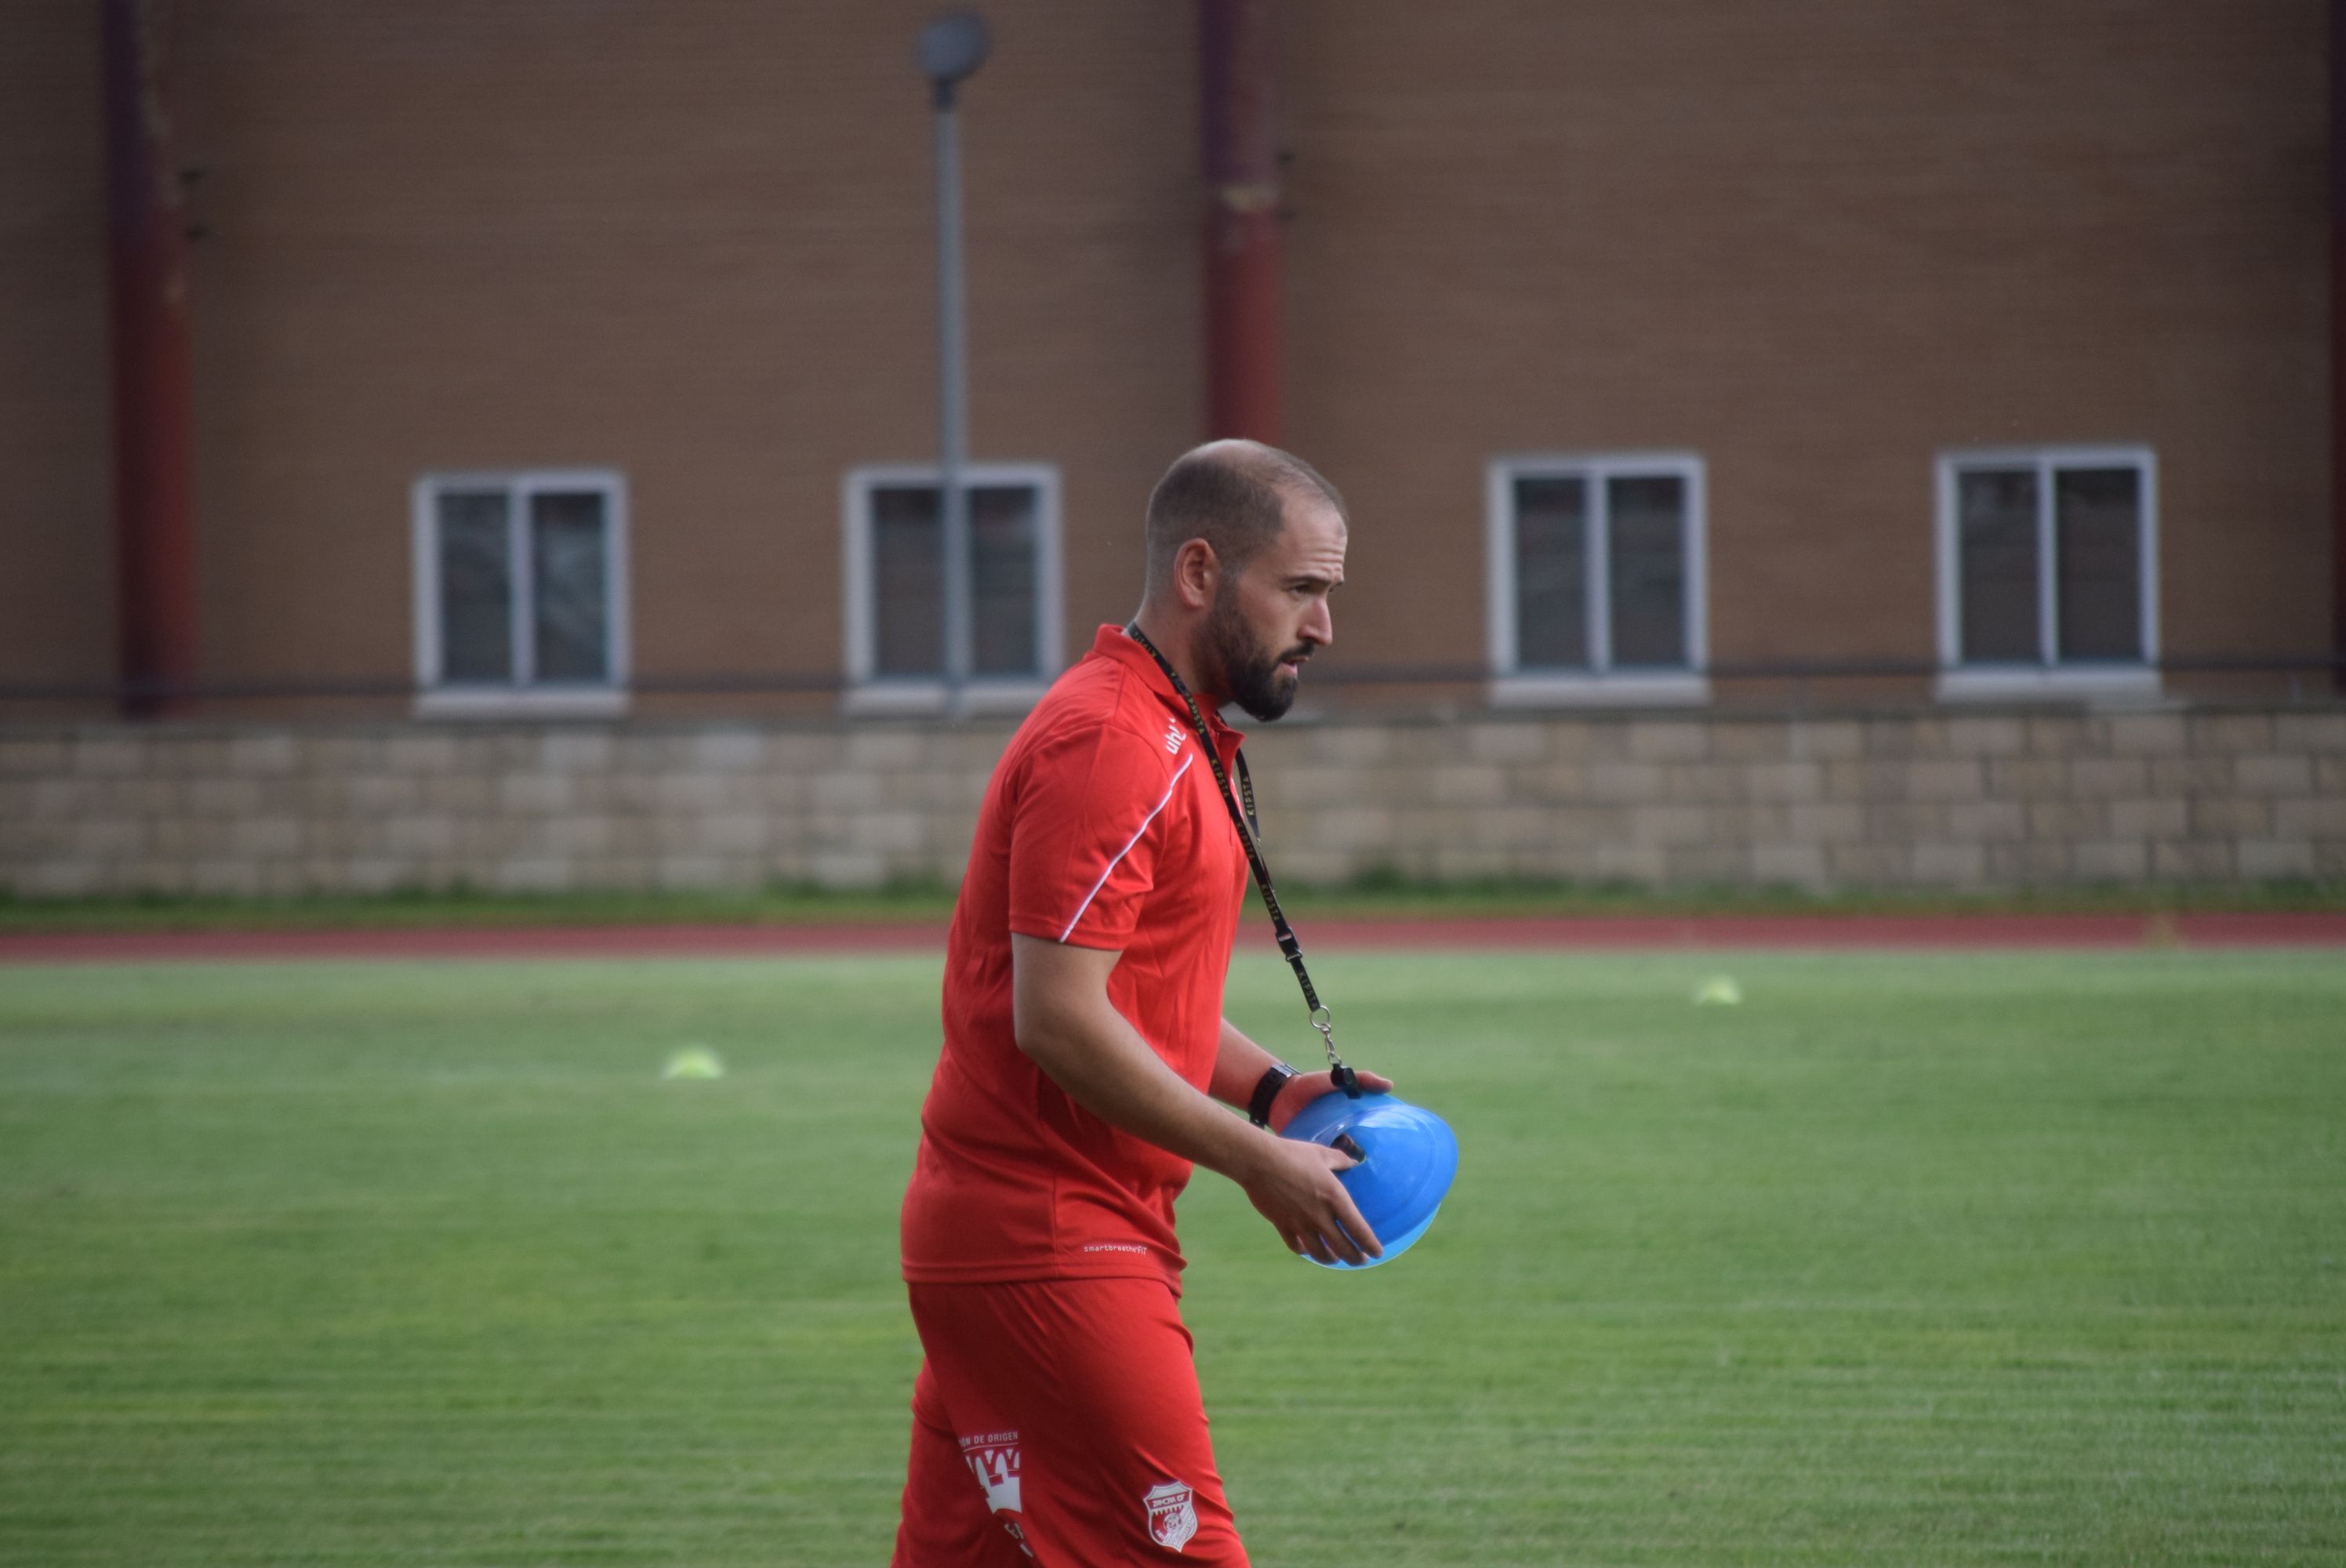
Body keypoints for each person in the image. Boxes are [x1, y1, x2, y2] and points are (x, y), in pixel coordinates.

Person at [889, 440, 1391, 1566]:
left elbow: (1128, 1000)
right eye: (1301, 590)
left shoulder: (1172, 732)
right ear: (1201, 573)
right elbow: (1058, 1019)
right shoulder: (1114, 742)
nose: (1322, 628)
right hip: (1051, 1242)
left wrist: (1271, 1095)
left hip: (1024, 1238)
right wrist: (1258, 1161)